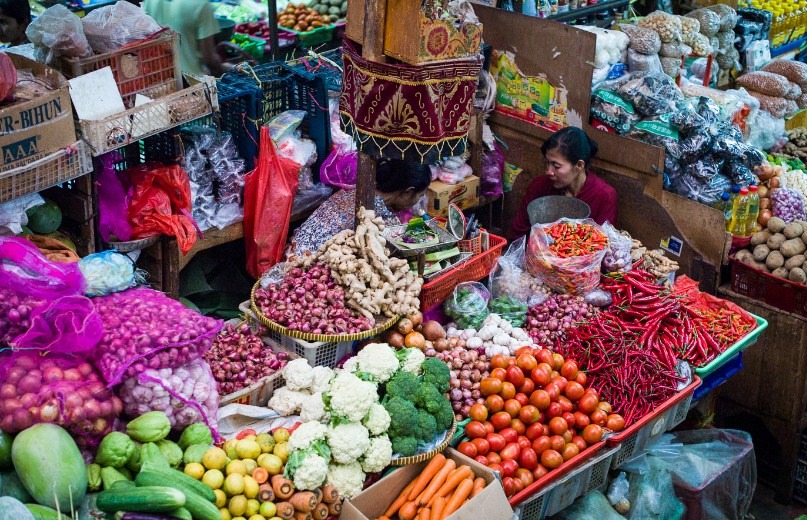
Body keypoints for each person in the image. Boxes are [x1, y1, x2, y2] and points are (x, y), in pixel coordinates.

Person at [287, 159, 431, 259]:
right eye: (420, 195)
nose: (419, 201)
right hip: (307, 270)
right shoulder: (380, 217)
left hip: (290, 254)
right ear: (408, 192)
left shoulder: (358, 189)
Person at [511, 127, 618, 238]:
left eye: (556, 166)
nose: (549, 171)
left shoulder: (604, 196)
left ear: (579, 165)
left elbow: (602, 244)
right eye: (547, 163)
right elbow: (518, 234)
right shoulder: (539, 186)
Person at [142, 0, 229, 76]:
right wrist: (225, 67)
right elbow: (209, 58)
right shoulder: (201, 4)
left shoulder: (150, 1)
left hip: (162, 79)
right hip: (192, 81)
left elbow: (144, 34)